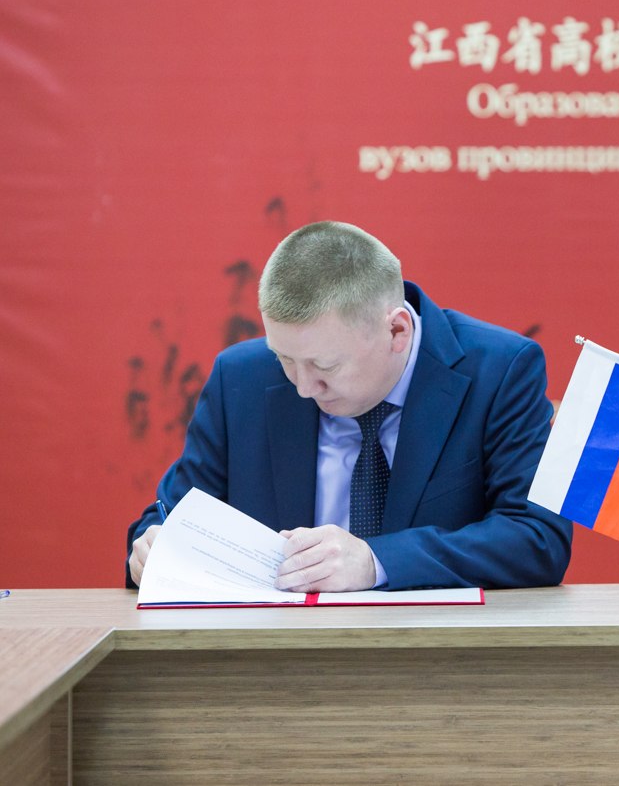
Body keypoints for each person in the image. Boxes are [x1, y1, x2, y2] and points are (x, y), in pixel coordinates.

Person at [127, 221, 572, 591]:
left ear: (397, 332)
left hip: (441, 656)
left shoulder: (499, 371)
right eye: (285, 360)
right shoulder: (240, 378)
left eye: (325, 366)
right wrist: (152, 546)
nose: (304, 388)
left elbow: (538, 538)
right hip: (276, 655)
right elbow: (167, 516)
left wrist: (376, 560)